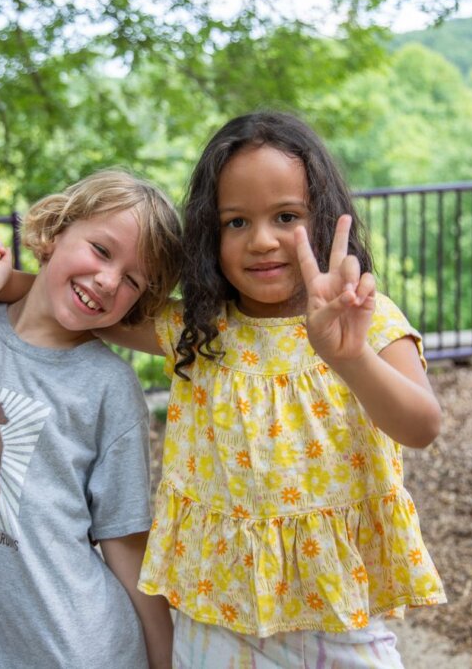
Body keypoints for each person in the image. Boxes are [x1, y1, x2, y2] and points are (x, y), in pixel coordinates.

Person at [89, 111, 445, 667]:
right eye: (235, 222)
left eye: (286, 216)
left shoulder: (365, 321)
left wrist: (349, 358)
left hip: (338, 621)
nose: (261, 241)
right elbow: (81, 306)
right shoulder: (198, 329)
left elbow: (421, 426)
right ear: (210, 232)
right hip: (215, 621)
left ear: (325, 220)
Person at [0, 169, 182, 668]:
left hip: (82, 648)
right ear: (54, 232)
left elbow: (125, 540)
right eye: (101, 249)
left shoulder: (109, 386)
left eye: (134, 280)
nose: (109, 280)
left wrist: (166, 661)